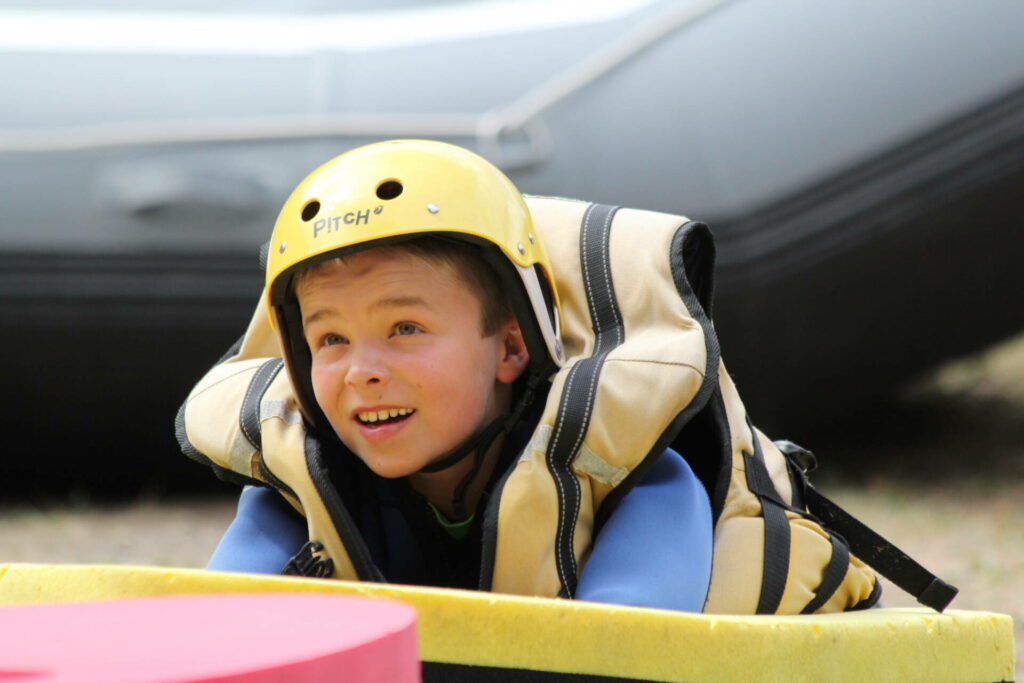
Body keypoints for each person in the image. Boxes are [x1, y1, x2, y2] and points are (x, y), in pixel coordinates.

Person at [198, 139, 713, 612]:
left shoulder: (640, 485)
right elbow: (217, 638)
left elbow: (625, 661)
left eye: (405, 327)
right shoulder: (293, 495)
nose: (362, 372)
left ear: (511, 347)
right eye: (332, 339)